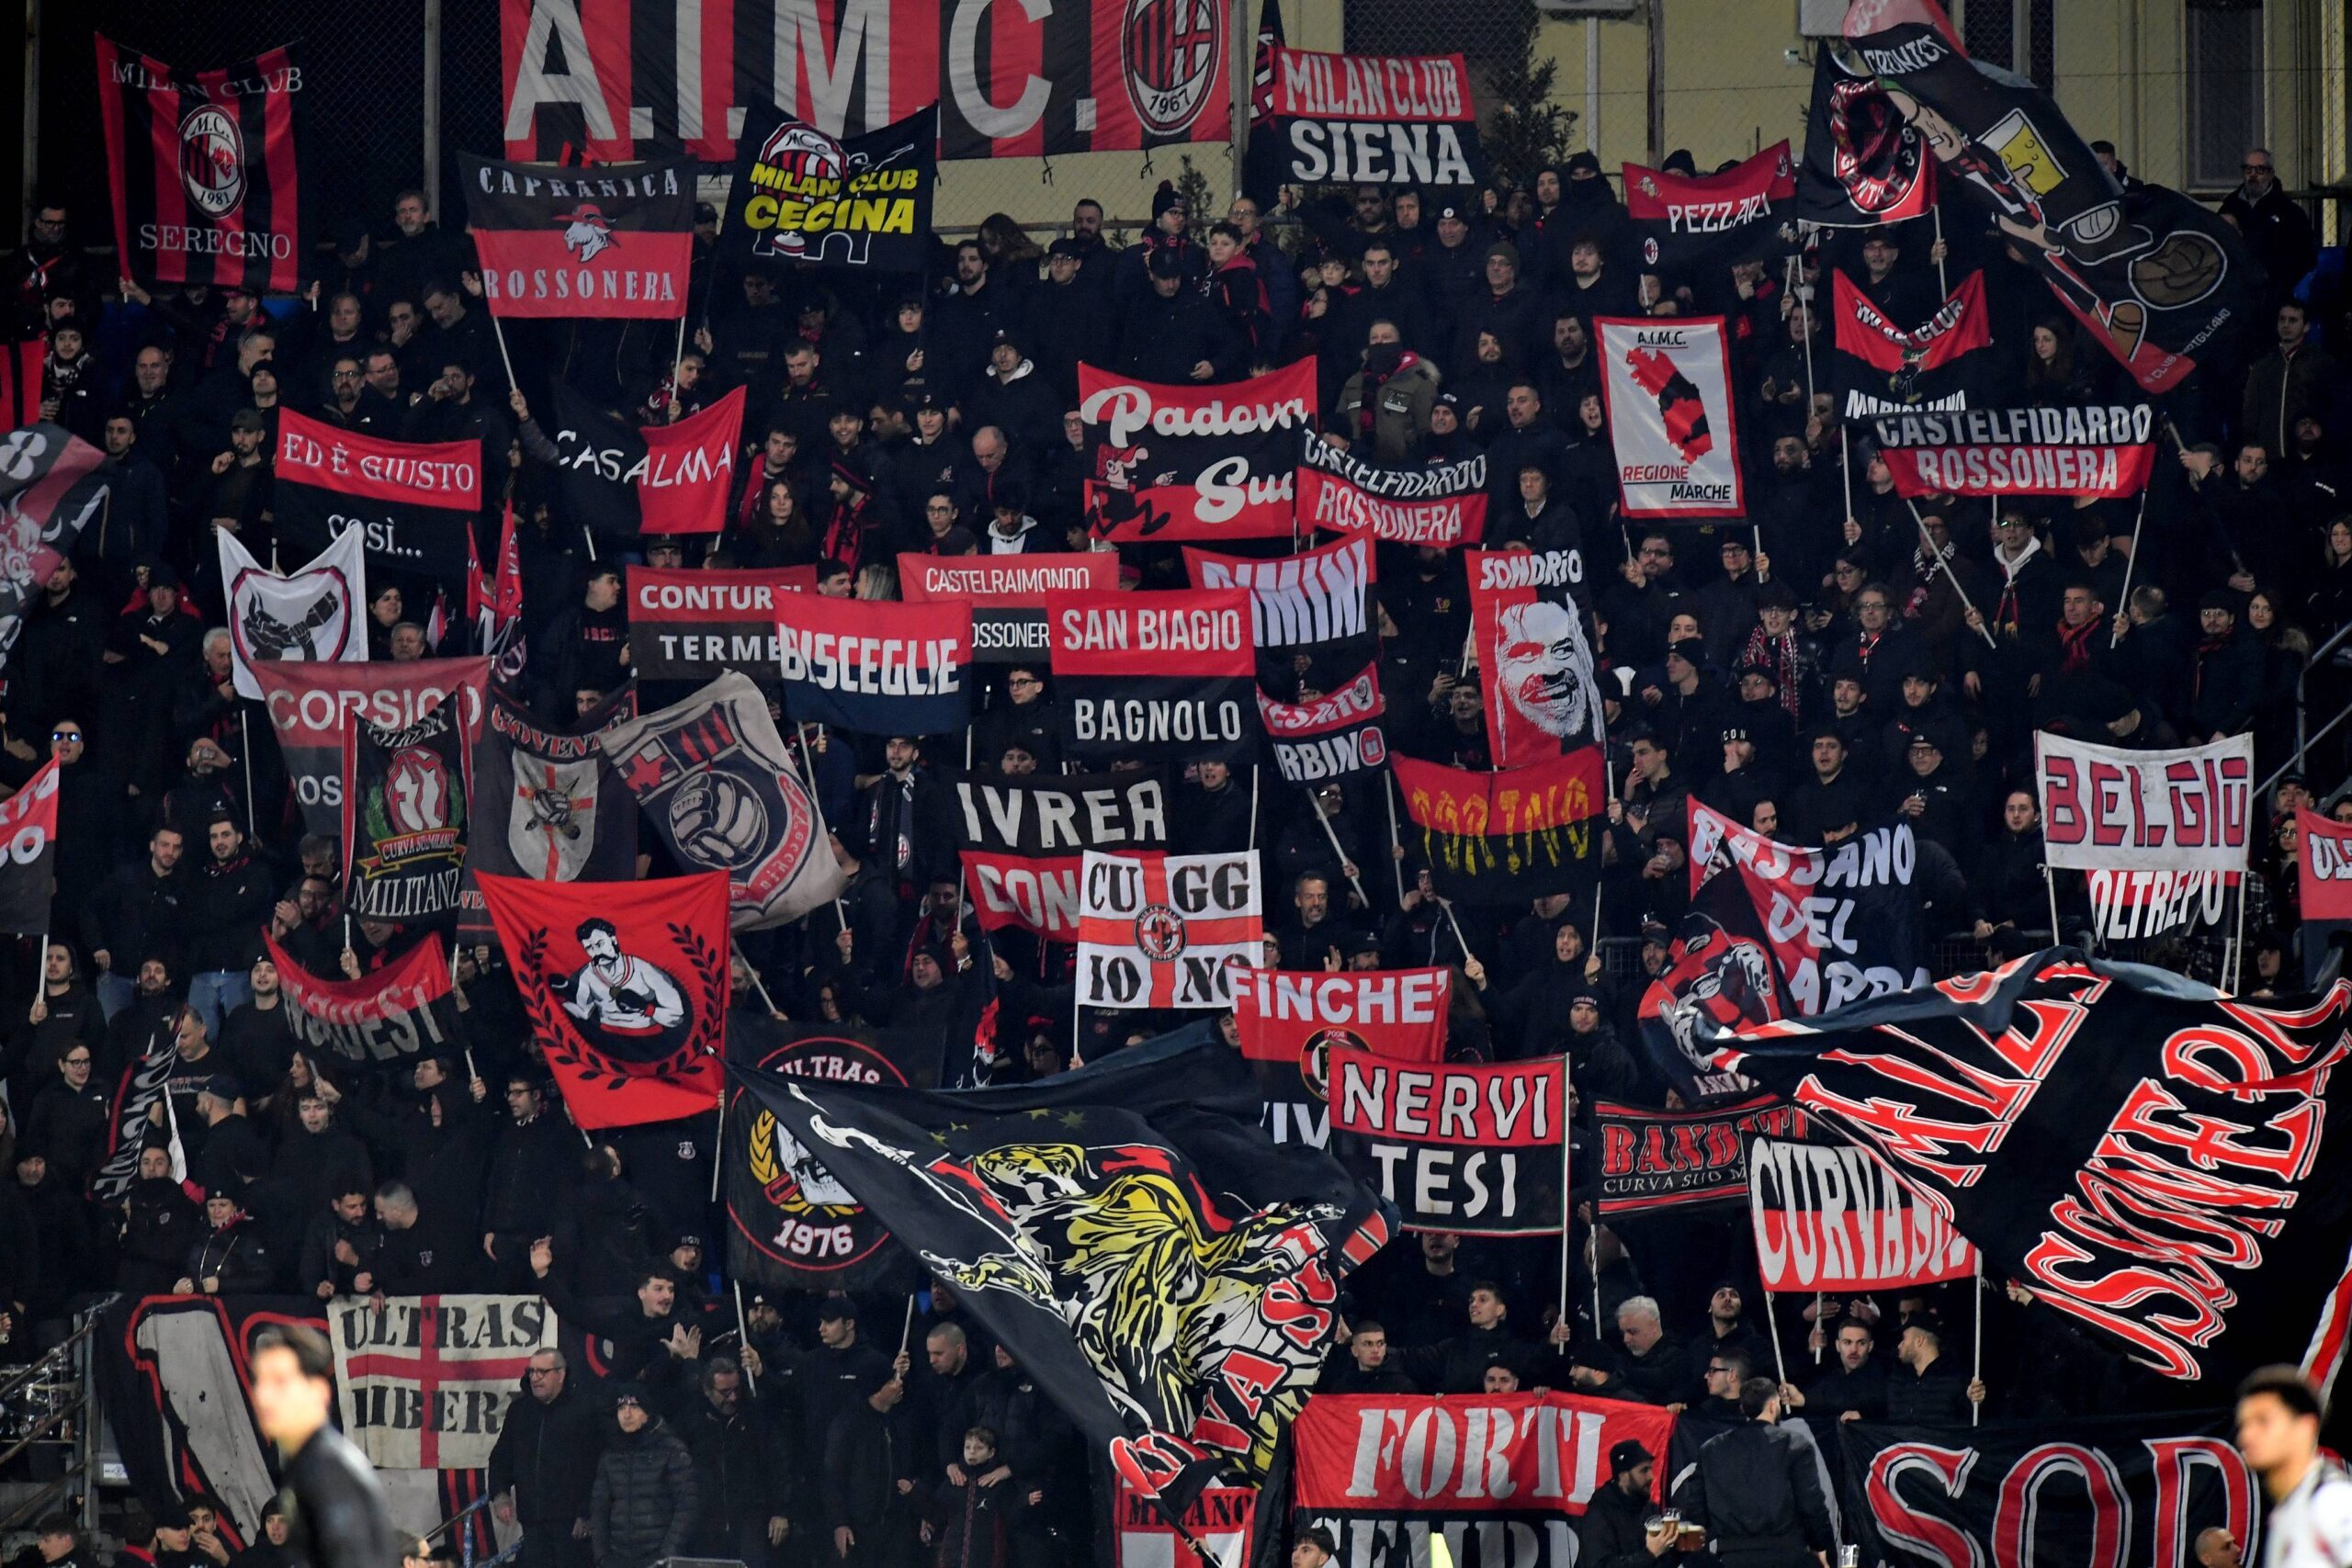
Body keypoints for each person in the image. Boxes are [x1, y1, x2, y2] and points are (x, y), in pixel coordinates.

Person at [250, 1325, 394, 1568]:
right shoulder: (310, 1463)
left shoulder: (327, 1471)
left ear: (318, 1391)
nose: (264, 1396)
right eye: (260, 1381)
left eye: (280, 1382)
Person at [1675, 1379, 1836, 1568]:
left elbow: (1695, 1510)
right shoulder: (1794, 1445)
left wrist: (1697, 1560)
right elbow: (1811, 1505)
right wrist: (1822, 1547)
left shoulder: (1712, 1449)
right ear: (1773, 1406)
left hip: (1732, 1559)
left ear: (1743, 1408)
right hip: (1788, 1558)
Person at [2235, 1365, 2352, 1568]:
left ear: (2305, 1427)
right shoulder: (2287, 1512)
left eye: (2263, 1421)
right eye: (2243, 1424)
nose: (2246, 1436)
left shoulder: (2332, 1500)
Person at [588, 1384, 699, 1568]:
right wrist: (602, 1555)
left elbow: (687, 1506)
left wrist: (667, 1555)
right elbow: (599, 1506)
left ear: (648, 1413)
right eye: (622, 1408)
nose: (627, 1414)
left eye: (634, 1407)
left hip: (659, 1558)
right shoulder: (610, 1454)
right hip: (617, 1559)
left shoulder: (671, 1450)